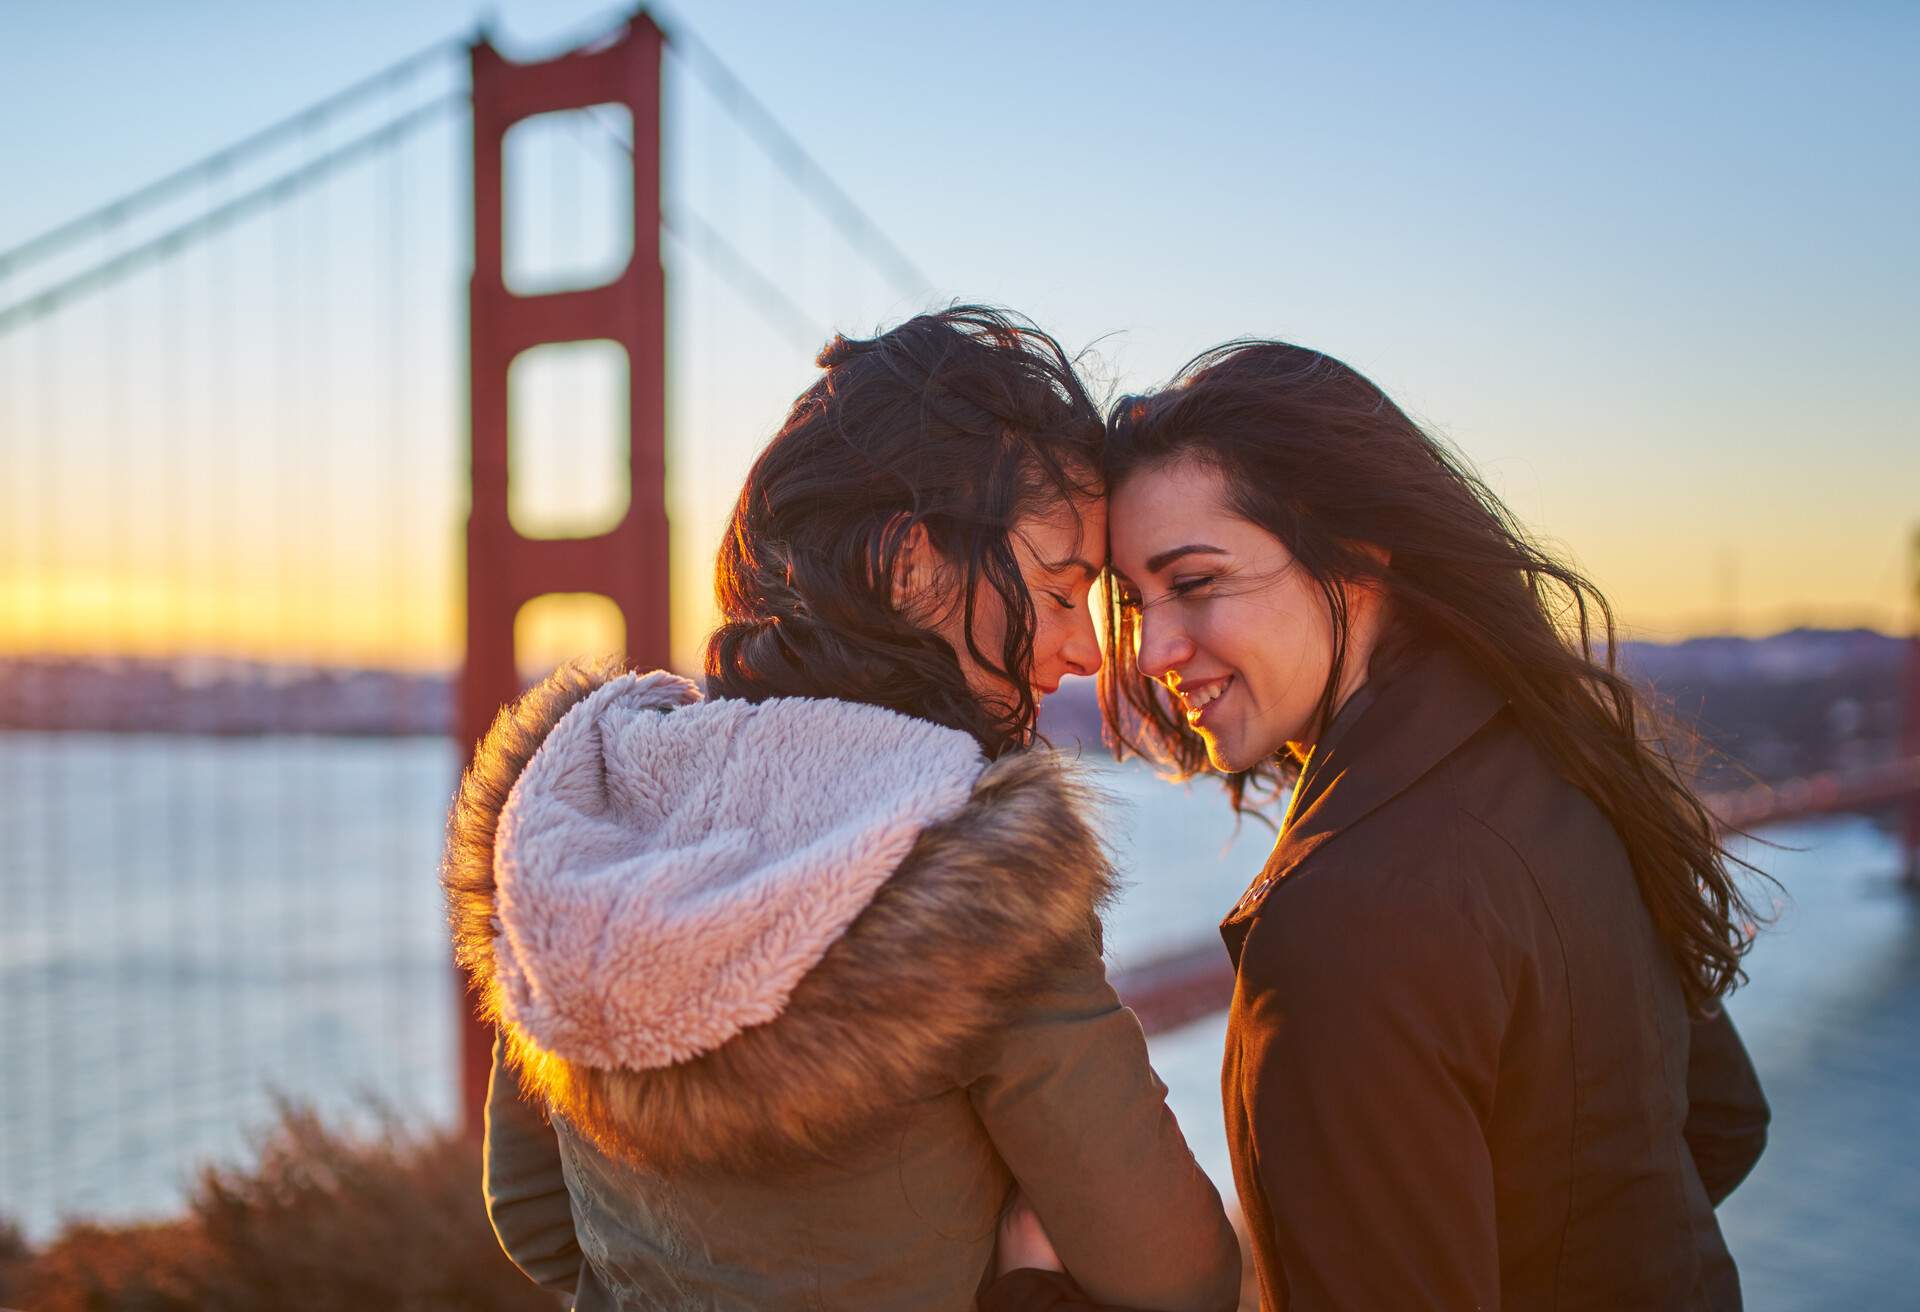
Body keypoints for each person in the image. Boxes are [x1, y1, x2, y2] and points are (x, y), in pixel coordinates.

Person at [440, 307, 1241, 1312]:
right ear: (908, 567)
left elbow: (530, 1215)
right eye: (1058, 589)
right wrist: (1023, 1268)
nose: (1084, 650)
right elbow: (1184, 1280)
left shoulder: (584, 809)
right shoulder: (972, 867)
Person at [1084, 340, 1771, 1310]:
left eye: (1193, 581)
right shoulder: (1562, 761)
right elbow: (1722, 1121)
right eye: (1132, 599)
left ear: (1359, 550)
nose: (1152, 649)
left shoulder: (1348, 914)